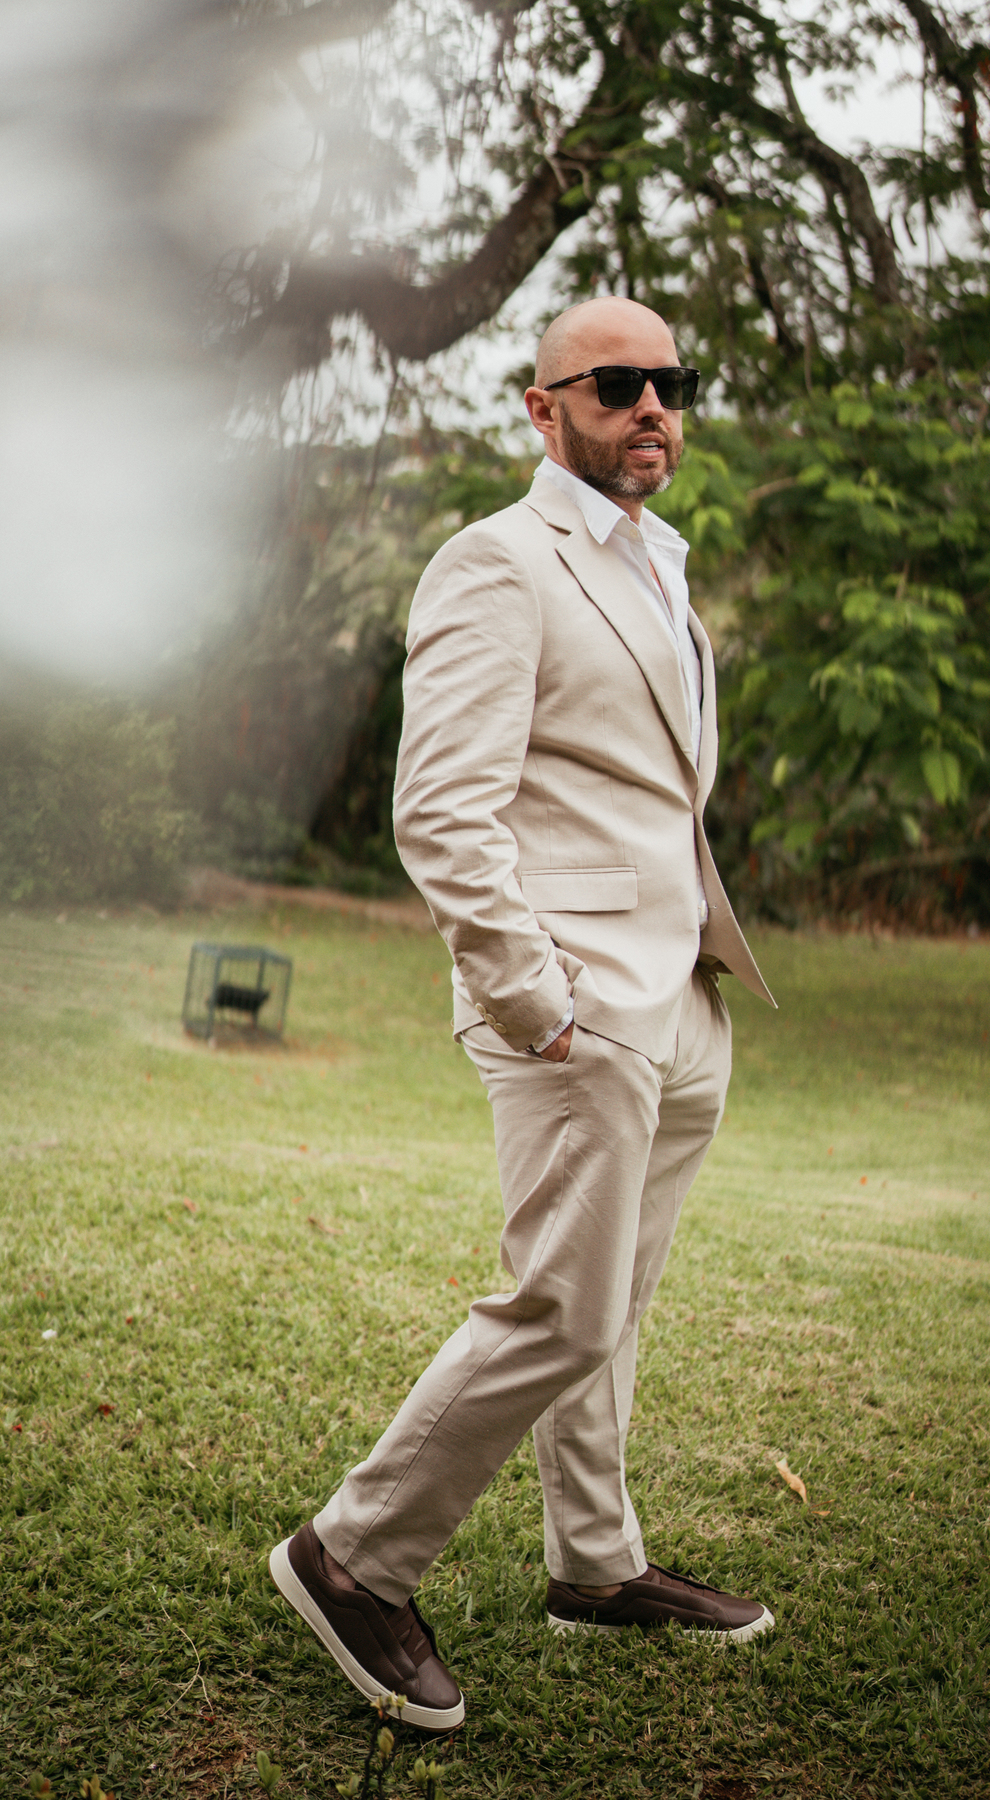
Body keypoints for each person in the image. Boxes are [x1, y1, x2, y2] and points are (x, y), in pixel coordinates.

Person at [269, 297, 777, 1732]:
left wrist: (677, 987)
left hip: (675, 997)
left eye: (672, 380)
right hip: (573, 1006)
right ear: (544, 409)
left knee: (616, 1299)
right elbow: (442, 809)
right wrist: (537, 998)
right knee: (564, 1304)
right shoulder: (499, 562)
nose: (653, 405)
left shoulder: (659, 564)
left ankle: (595, 1562)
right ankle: (352, 1556)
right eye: (618, 383)